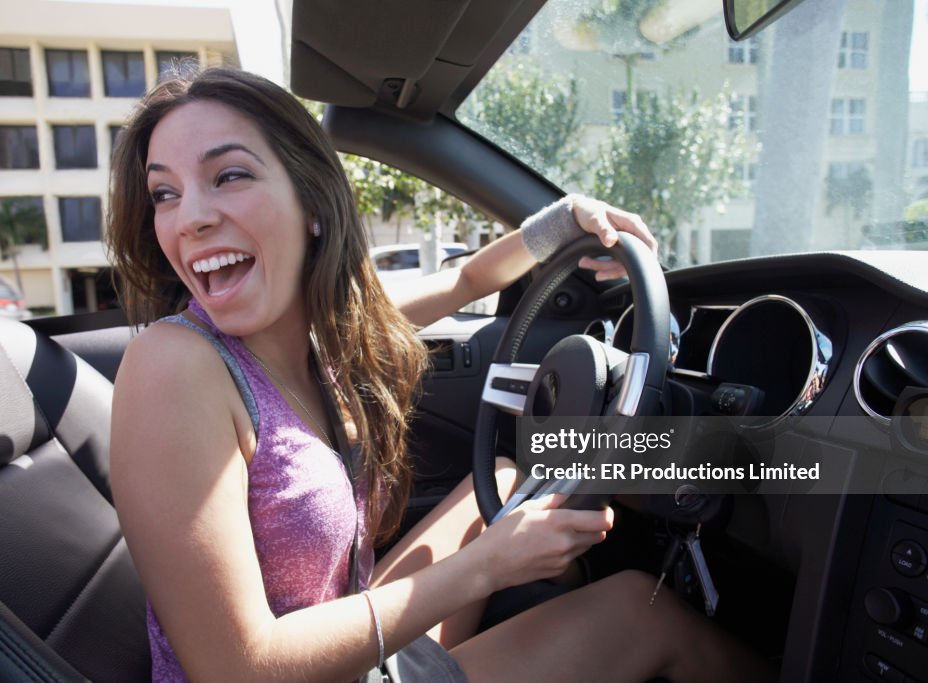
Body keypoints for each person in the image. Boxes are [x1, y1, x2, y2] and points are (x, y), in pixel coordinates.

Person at [107, 66, 773, 683]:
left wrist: (565, 221)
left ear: (312, 204)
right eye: (165, 192)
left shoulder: (314, 329)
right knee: (640, 609)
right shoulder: (174, 365)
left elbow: (464, 277)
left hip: (346, 650)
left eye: (228, 176)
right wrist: (488, 564)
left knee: (510, 480)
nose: (189, 217)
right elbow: (238, 668)